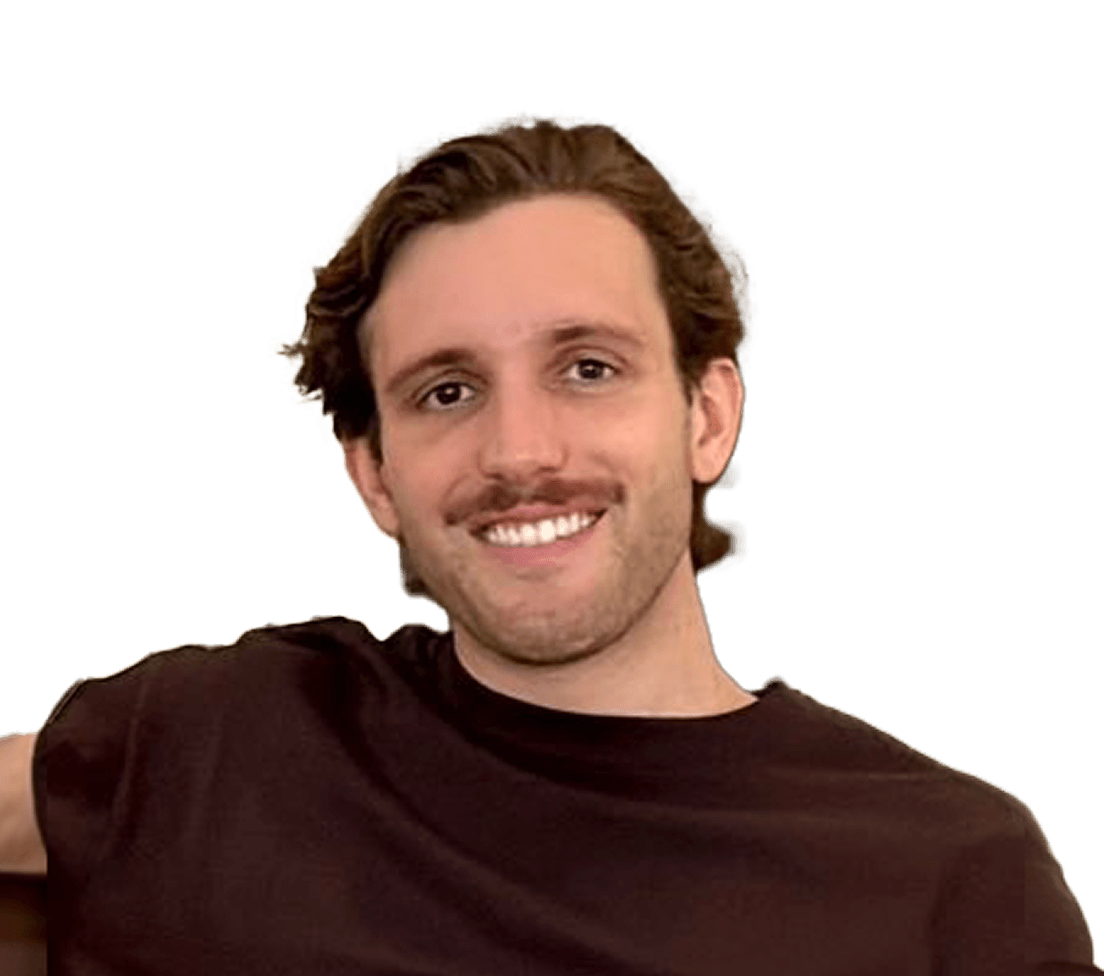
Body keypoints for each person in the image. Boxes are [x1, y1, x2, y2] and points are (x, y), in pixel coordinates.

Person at [1, 111, 1098, 974]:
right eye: (446, 390)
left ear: (706, 415)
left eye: (588, 368)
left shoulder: (950, 879)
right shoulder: (214, 740)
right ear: (375, 475)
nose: (519, 450)